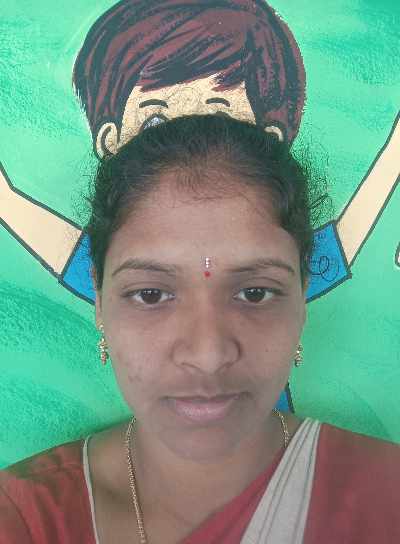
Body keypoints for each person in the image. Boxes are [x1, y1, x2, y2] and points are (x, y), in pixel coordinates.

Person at [1, 115, 399, 543]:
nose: (208, 355)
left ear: (302, 298)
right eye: (151, 295)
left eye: (255, 293)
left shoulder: (386, 498)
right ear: (99, 301)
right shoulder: (24, 519)